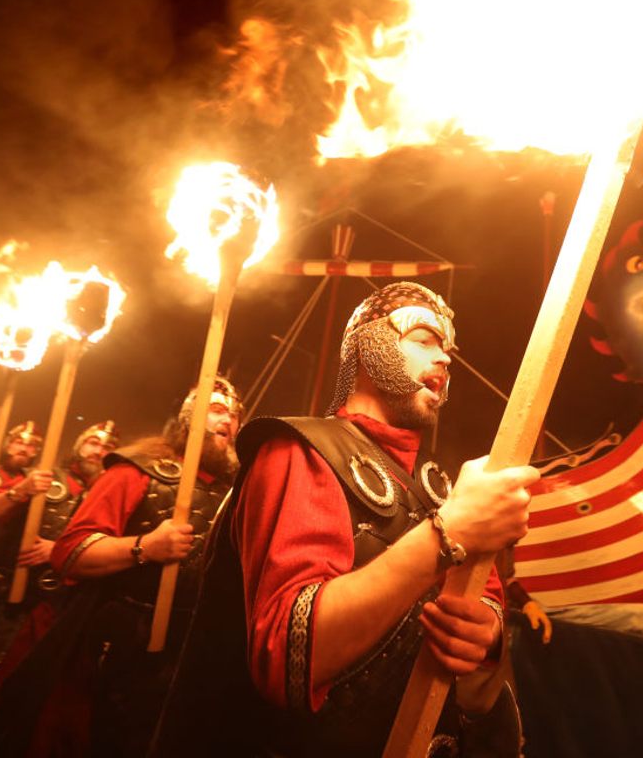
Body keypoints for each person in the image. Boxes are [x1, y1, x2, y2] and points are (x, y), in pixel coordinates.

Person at [155, 281, 539, 757]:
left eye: (447, 349)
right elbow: (290, 664)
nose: (444, 359)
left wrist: (486, 632)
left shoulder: (436, 487)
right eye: (423, 340)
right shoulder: (299, 451)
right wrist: (450, 534)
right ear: (367, 345)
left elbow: (483, 606)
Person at [0, 381, 241, 757]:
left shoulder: (235, 491)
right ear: (187, 420)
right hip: (123, 646)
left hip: (191, 652)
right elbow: (69, 552)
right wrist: (145, 547)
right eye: (217, 409)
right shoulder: (137, 473)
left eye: (235, 414)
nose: (229, 421)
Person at [0, 421, 118, 724]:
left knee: (34, 705)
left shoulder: (109, 490)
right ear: (78, 446)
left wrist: (59, 551)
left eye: (108, 447)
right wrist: (20, 491)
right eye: (93, 443)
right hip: (15, 602)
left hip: (65, 609)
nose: (99, 451)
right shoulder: (44, 479)